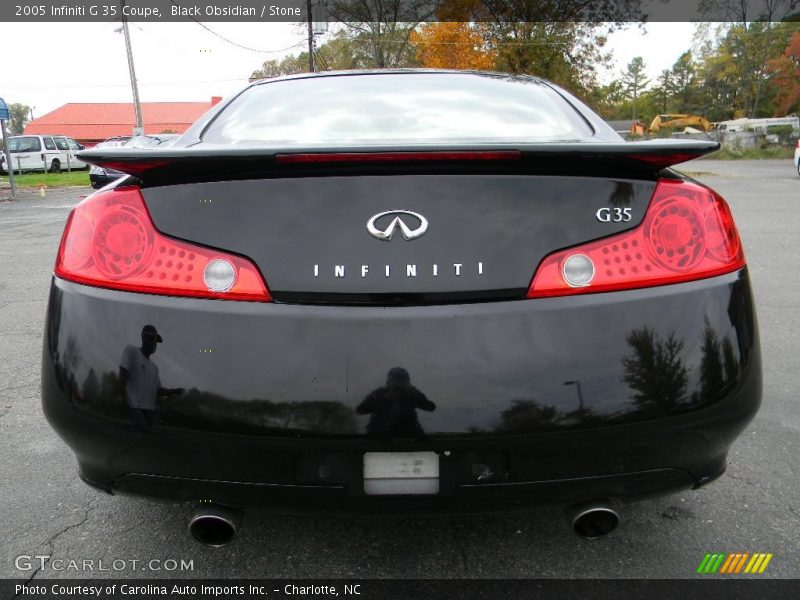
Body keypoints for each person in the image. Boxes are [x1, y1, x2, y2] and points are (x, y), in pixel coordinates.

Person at [356, 367, 436, 438]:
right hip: (380, 438)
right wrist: (385, 399)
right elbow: (360, 409)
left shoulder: (411, 394)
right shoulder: (380, 393)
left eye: (400, 381)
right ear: (388, 382)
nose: (397, 385)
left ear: (407, 383)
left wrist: (415, 395)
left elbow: (431, 407)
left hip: (407, 437)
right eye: (393, 381)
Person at [119, 325, 163, 431]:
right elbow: (122, 379)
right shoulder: (132, 351)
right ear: (143, 337)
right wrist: (127, 407)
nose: (154, 343)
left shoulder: (155, 368)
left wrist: (174, 392)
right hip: (135, 407)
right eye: (152, 338)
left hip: (150, 411)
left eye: (156, 341)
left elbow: (159, 391)